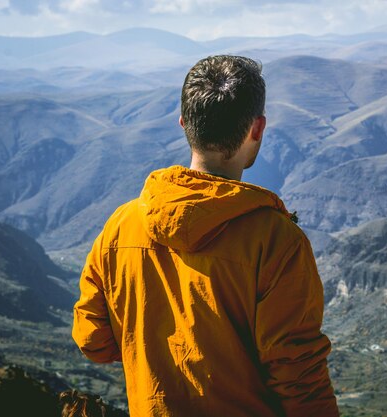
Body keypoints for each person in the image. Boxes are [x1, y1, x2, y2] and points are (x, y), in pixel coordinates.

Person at [72, 55, 339, 417]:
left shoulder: (121, 225)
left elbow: (93, 341)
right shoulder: (276, 241)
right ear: (257, 129)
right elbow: (299, 377)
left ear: (184, 123)